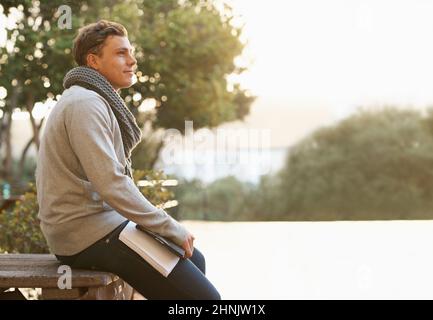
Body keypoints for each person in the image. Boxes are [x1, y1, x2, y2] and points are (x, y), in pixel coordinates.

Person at [35, 20, 221, 300]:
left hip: (100, 227)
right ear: (93, 61)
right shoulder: (85, 104)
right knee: (205, 300)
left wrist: (160, 228)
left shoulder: (92, 100)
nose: (132, 60)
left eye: (131, 52)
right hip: (87, 235)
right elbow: (111, 183)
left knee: (196, 261)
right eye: (121, 53)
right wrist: (169, 226)